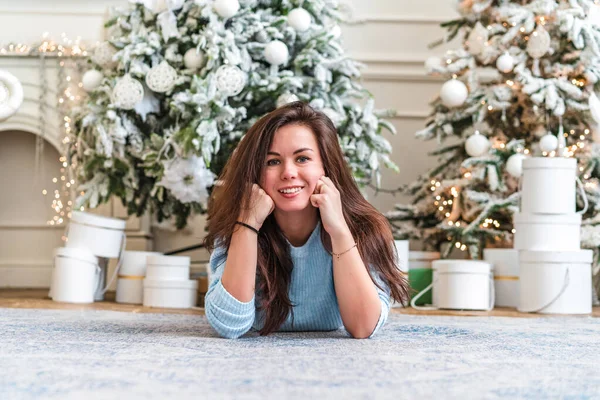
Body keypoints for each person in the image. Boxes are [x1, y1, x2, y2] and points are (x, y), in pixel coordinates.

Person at [203, 101, 409, 339]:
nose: (288, 172)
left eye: (302, 159)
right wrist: (248, 224)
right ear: (255, 172)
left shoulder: (365, 228)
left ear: (326, 166)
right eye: (272, 162)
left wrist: (339, 231)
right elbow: (229, 325)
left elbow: (364, 327)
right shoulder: (236, 228)